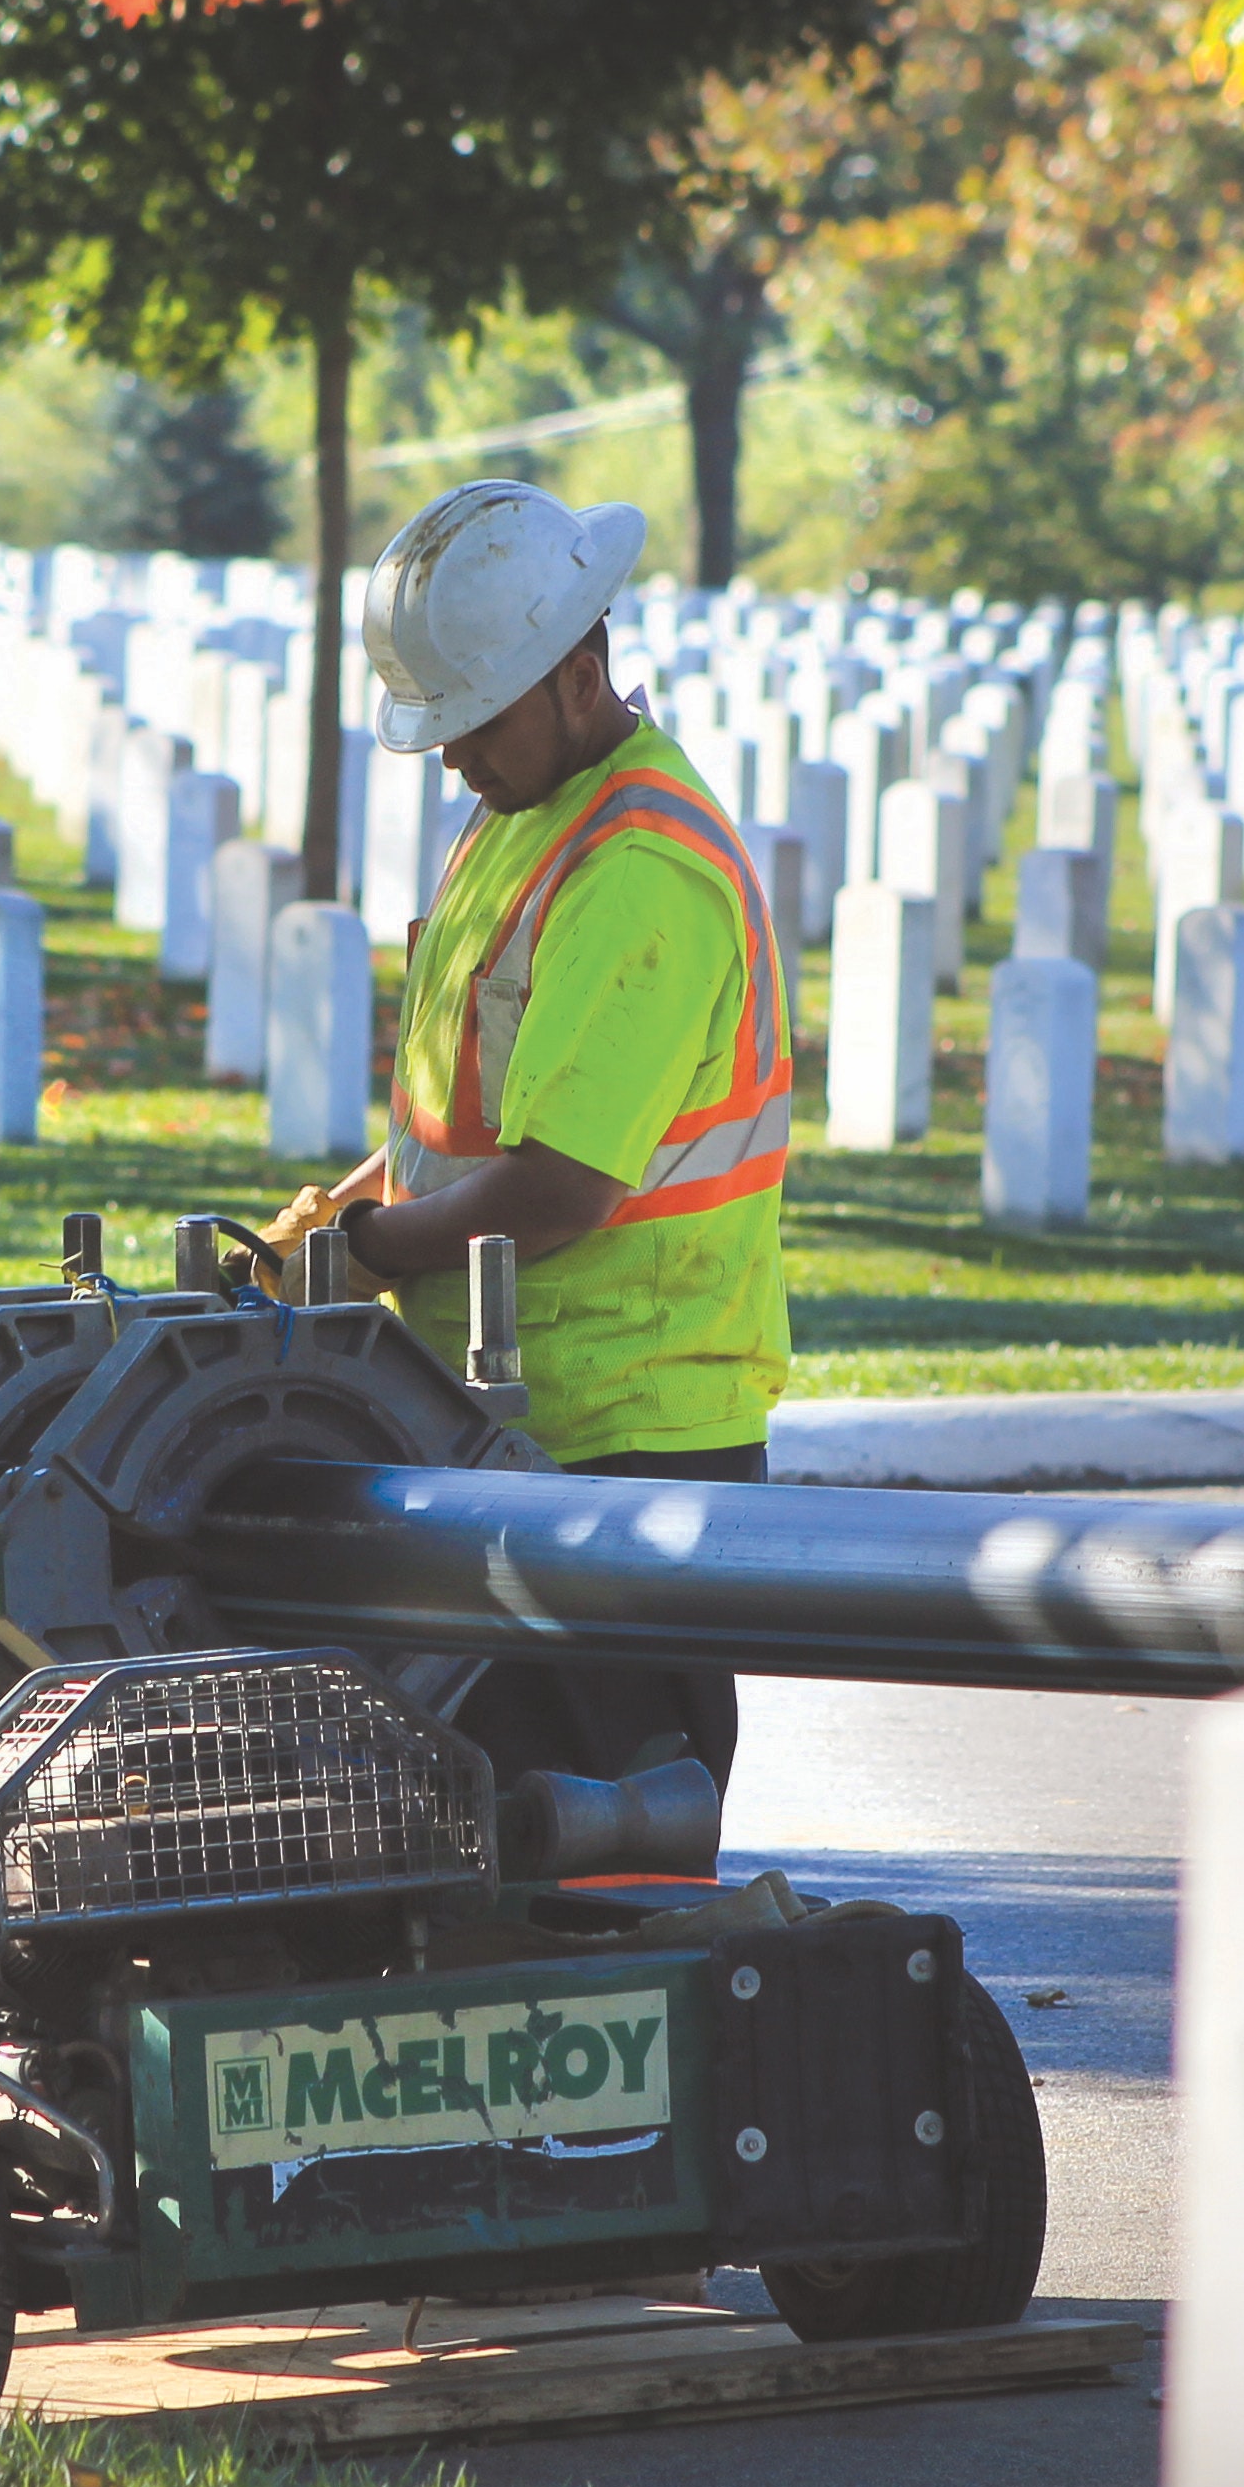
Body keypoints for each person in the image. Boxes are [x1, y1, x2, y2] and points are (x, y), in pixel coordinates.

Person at [265, 479, 791, 1792]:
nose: (450, 753)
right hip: (510, 1410)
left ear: (578, 671)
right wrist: (336, 1216)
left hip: (628, 1425)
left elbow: (561, 1184)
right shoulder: (517, 815)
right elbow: (469, 1126)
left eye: (472, 720)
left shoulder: (640, 865)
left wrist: (366, 1248)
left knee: (604, 1841)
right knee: (490, 1825)